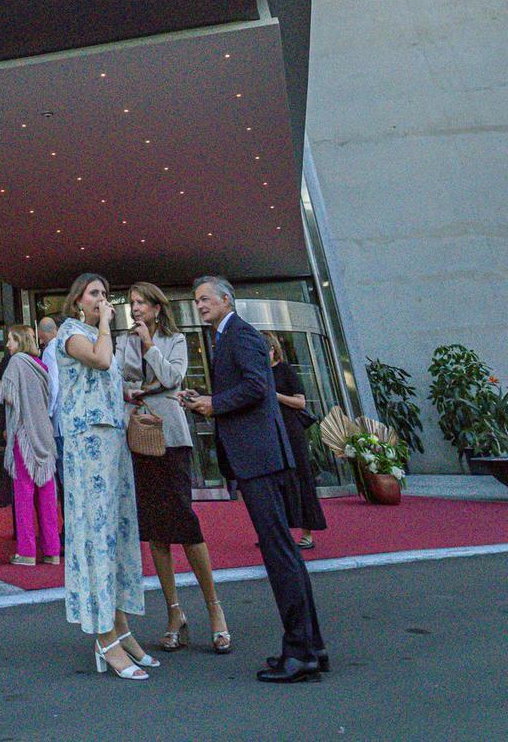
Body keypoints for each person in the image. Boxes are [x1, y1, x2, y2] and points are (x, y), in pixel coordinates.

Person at [183, 277, 327, 683]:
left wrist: (215, 403)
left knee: (280, 554)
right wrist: (204, 404)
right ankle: (312, 646)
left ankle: (300, 653)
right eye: (197, 301)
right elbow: (241, 394)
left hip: (260, 460)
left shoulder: (240, 334)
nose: (200, 306)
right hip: (258, 458)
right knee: (285, 553)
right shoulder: (224, 338)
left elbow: (256, 387)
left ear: (226, 299)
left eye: (205, 299)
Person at [116, 282, 229, 651]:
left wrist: (149, 346)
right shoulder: (124, 340)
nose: (134, 309)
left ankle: (215, 609)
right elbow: (118, 379)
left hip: (172, 437)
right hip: (139, 435)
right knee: (156, 530)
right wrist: (132, 385)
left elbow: (172, 379)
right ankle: (174, 612)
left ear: (156, 307)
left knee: (184, 520)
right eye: (131, 304)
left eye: (140, 303)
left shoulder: (175, 339)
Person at [57, 273, 152, 681]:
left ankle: (122, 626)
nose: (102, 300)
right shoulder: (71, 332)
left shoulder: (99, 333)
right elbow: (98, 360)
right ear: (78, 300)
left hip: (113, 440)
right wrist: (105, 324)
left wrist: (128, 395)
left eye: (105, 294)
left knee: (117, 532)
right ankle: (104, 636)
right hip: (87, 441)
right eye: (94, 293)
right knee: (96, 534)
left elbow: (106, 375)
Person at [0, 323, 60, 567]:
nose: (8, 345)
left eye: (11, 340)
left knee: (23, 492)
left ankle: (26, 550)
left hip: (23, 433)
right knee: (47, 493)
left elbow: (9, 397)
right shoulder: (41, 365)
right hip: (44, 432)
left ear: (20, 341)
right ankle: (52, 550)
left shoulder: (16, 363)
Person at [265, 333, 327, 549]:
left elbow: (300, 402)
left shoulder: (285, 371)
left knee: (300, 478)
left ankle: (307, 532)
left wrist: (276, 395)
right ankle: (276, 533)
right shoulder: (258, 373)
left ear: (274, 350)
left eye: (267, 349)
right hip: (269, 430)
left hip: (291, 430)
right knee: (274, 483)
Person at [38, 315, 64, 486]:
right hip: (70, 416)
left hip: (59, 421)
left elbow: (52, 385)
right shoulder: (66, 347)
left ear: (41, 334)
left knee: (62, 468)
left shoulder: (49, 351)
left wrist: (47, 413)